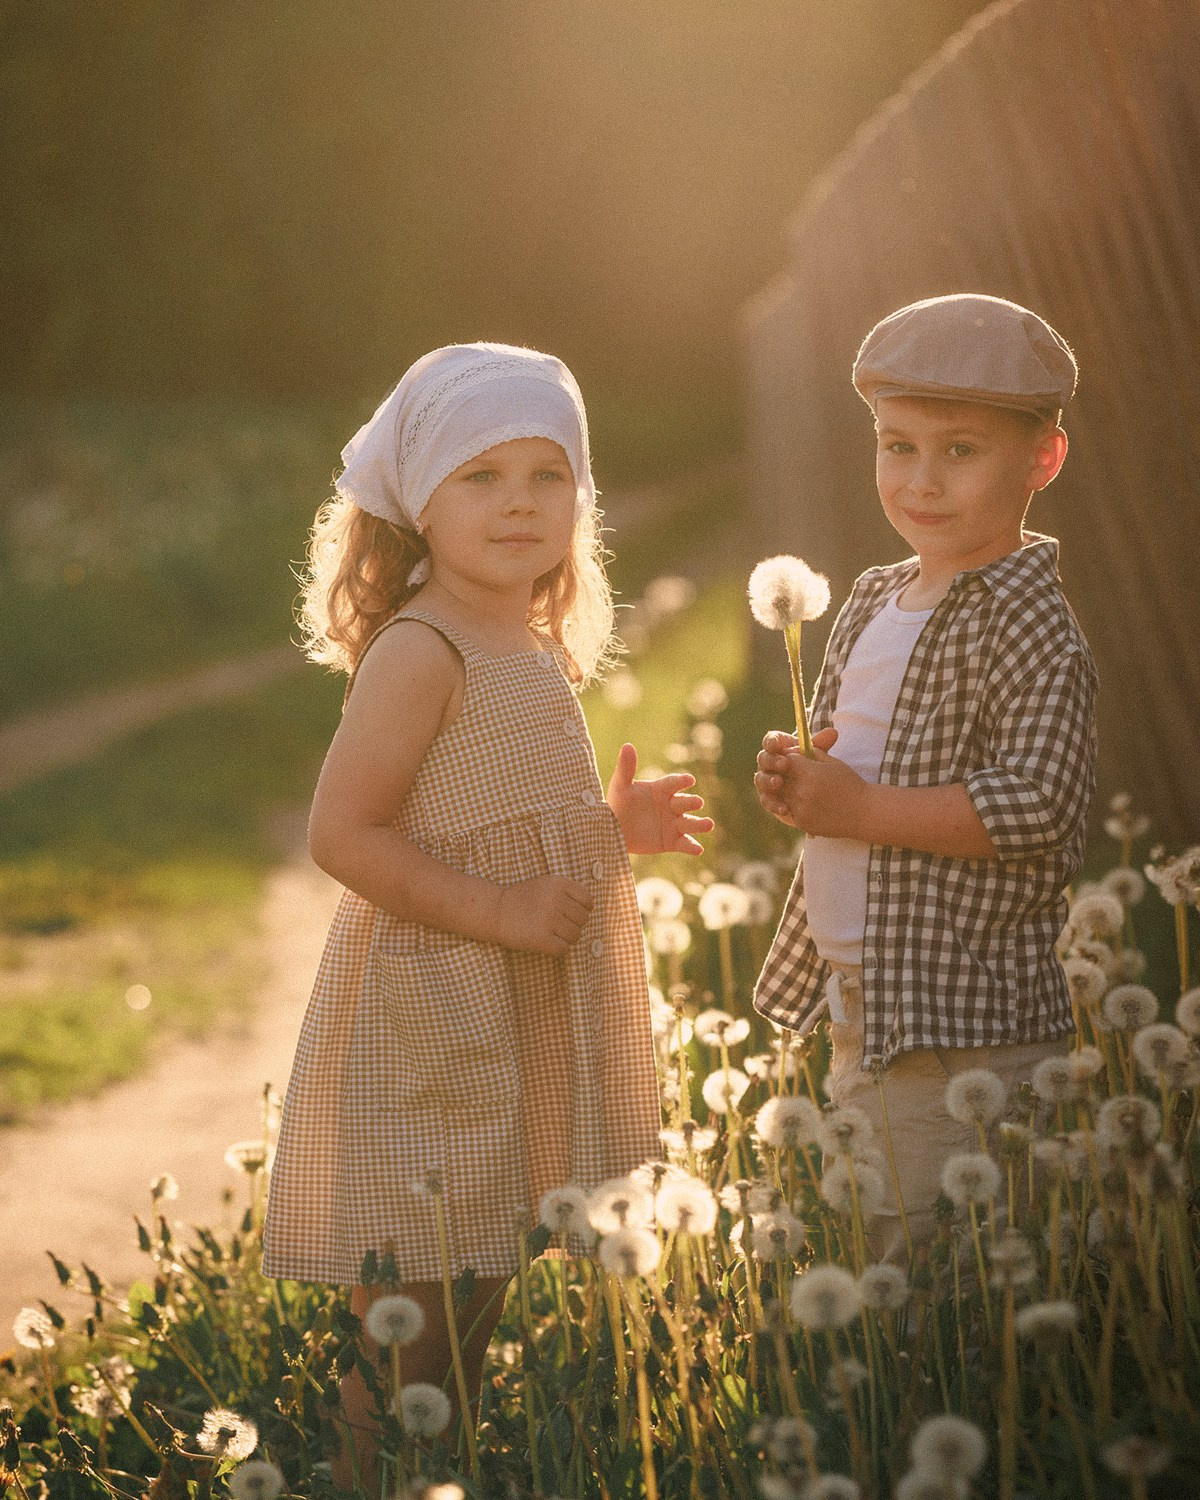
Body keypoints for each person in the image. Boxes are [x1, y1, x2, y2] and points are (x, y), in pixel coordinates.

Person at [261, 342, 712, 1484]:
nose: (519, 501)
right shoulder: (423, 647)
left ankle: (436, 1466)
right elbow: (344, 835)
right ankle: (370, 1476)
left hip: (504, 1004)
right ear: (420, 501)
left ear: (581, 498)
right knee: (408, 1297)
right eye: (481, 476)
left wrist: (613, 823)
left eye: (545, 475)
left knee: (480, 1275)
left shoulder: (532, 638)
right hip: (433, 1004)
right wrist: (502, 911)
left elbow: (514, 813)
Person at [753, 294, 1097, 1260]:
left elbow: (1039, 807)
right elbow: (853, 768)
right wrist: (803, 781)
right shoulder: (869, 598)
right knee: (874, 1242)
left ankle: (961, 1408)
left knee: (942, 1258)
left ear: (1043, 460)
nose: (922, 480)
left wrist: (859, 807)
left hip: (965, 1019)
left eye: (960, 450)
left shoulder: (1028, 623)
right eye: (898, 446)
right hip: (865, 995)